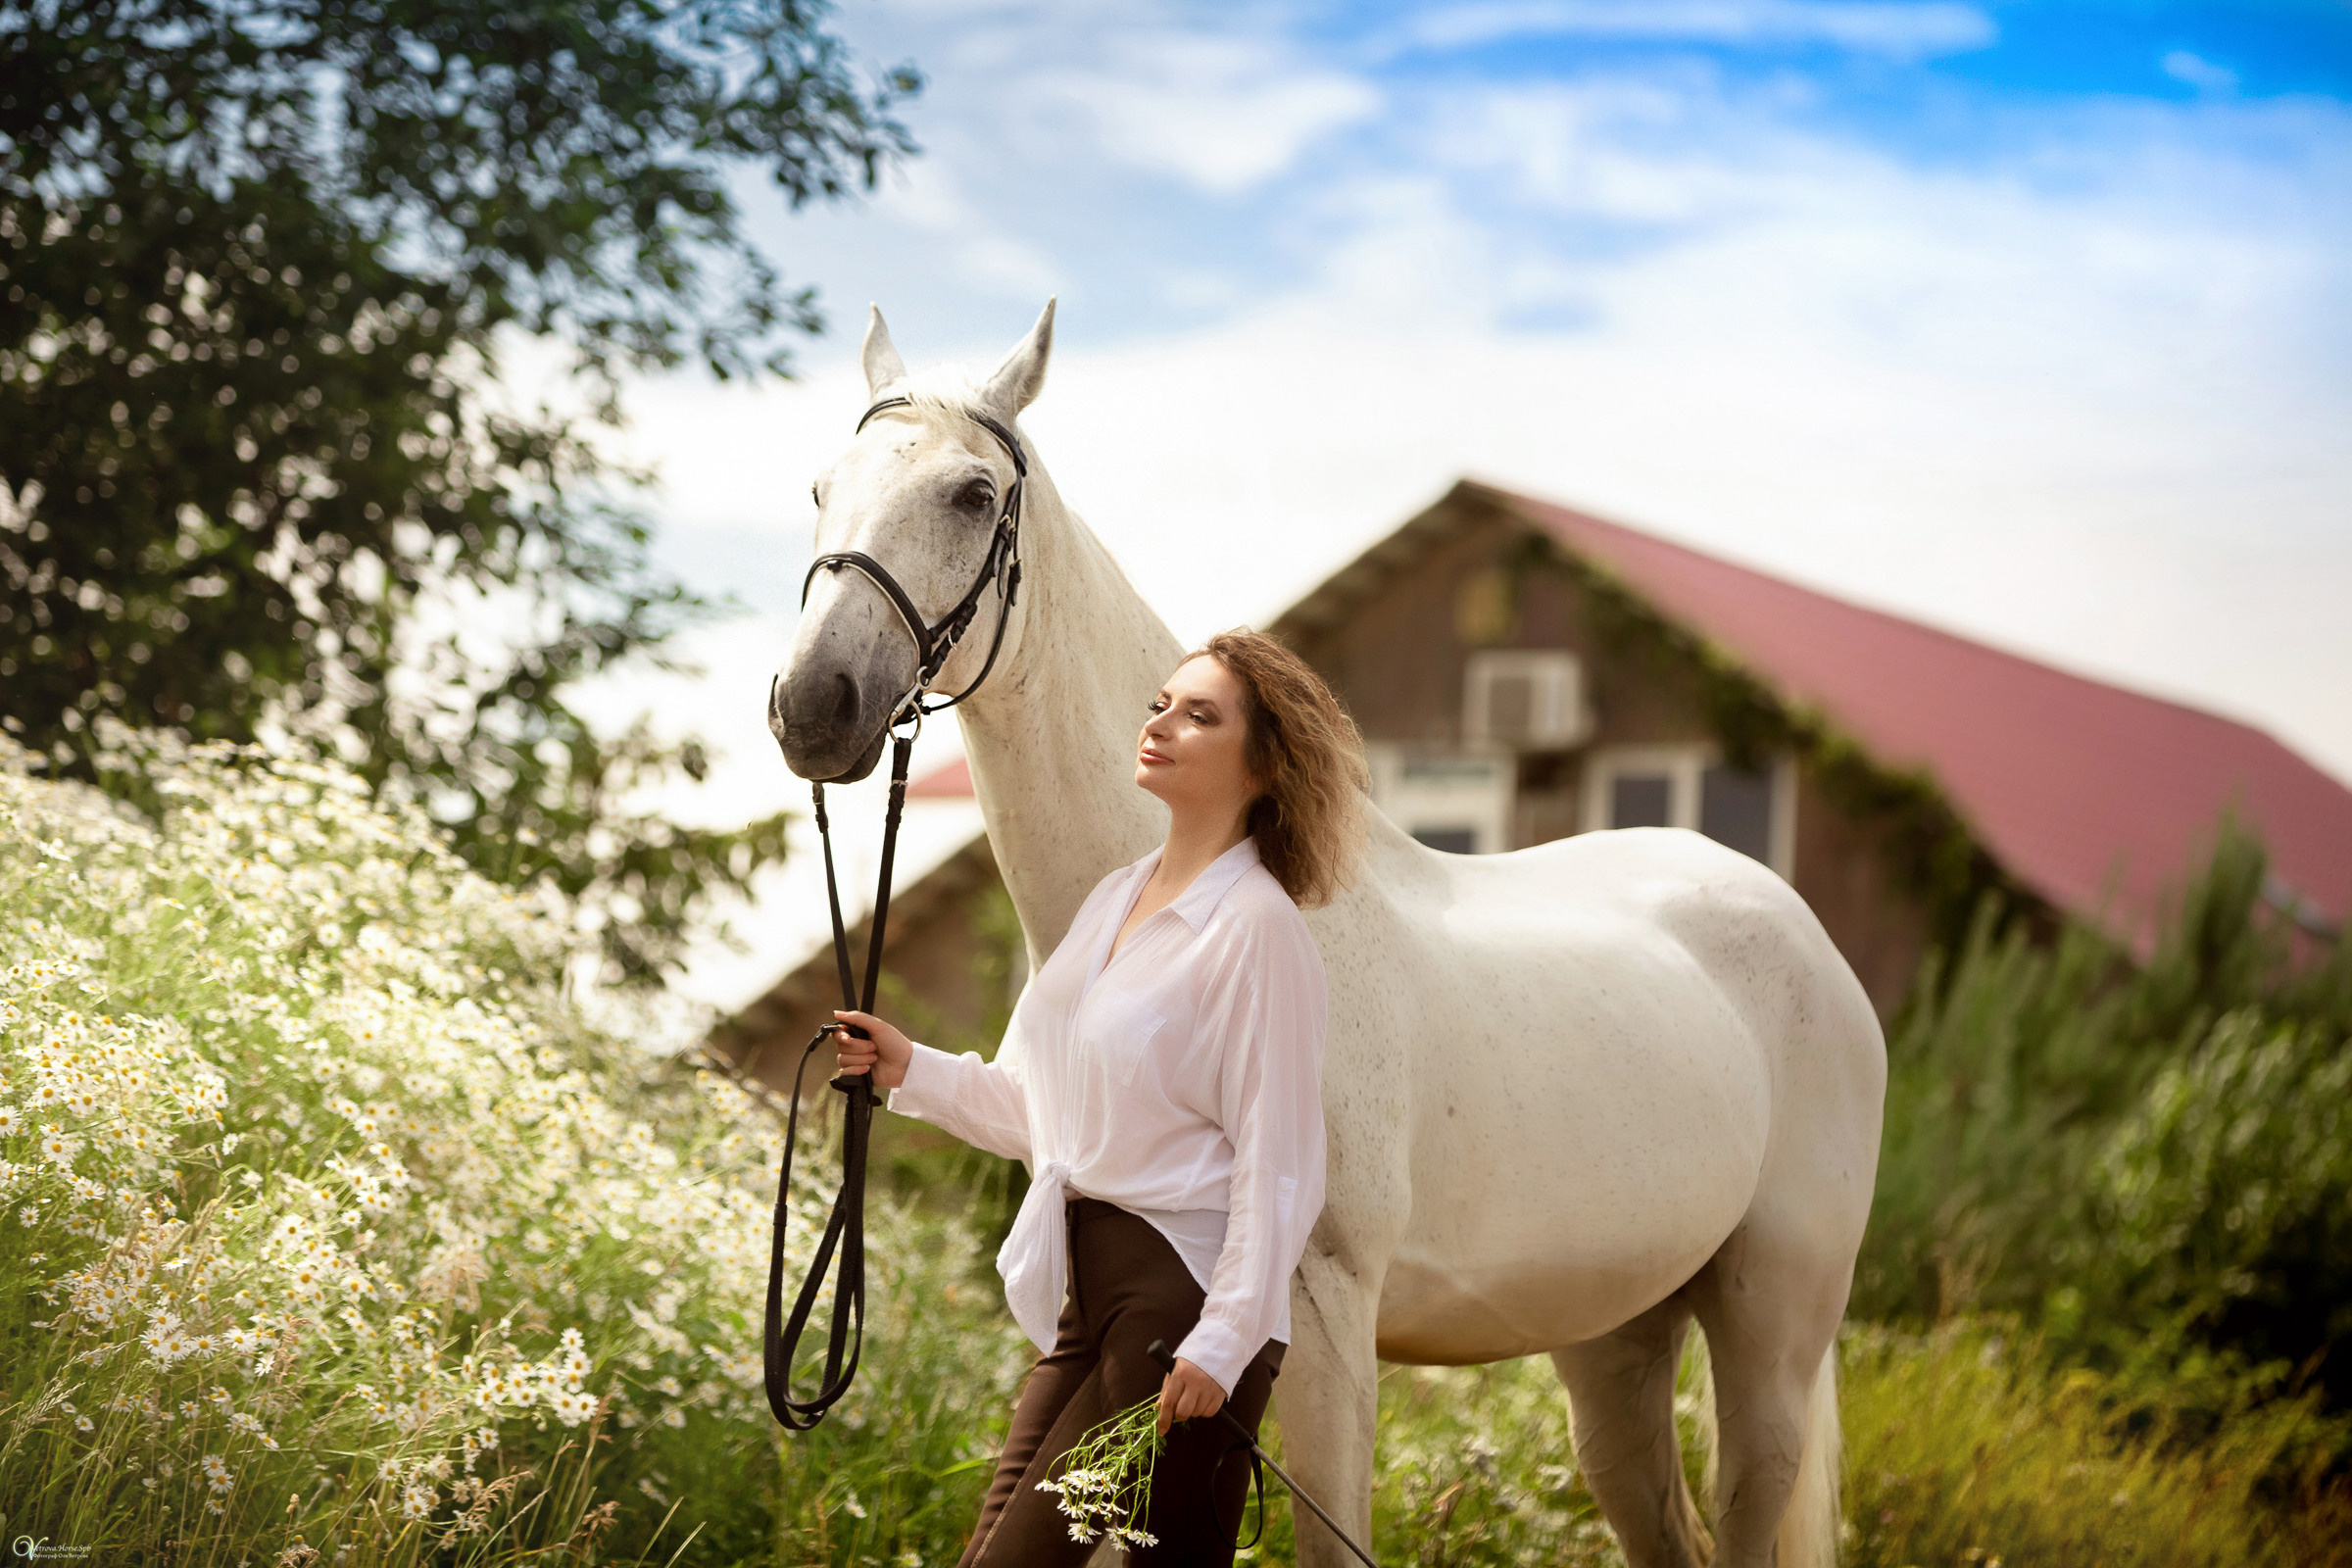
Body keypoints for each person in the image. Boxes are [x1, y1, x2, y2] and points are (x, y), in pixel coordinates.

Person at [831, 628, 1366, 1567]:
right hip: (1094, 1292)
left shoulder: (1257, 930)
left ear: (1264, 764)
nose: (1162, 722)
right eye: (1162, 703)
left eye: (1200, 715)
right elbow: (1047, 1111)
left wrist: (1226, 1337)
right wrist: (908, 1067)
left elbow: (1282, 1160)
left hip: (1183, 1301)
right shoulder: (1115, 898)